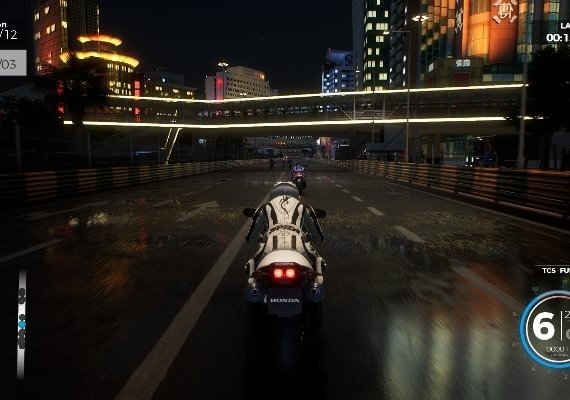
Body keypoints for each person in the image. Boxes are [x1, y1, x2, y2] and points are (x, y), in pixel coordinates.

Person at [243, 182, 326, 277]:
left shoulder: (265, 207)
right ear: (295, 193)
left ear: (273, 194)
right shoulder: (304, 207)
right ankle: (318, 280)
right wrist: (316, 238)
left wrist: (254, 239)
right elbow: (317, 235)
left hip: (270, 246)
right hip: (298, 246)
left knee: (253, 263)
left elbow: (252, 235)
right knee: (318, 261)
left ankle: (252, 282)